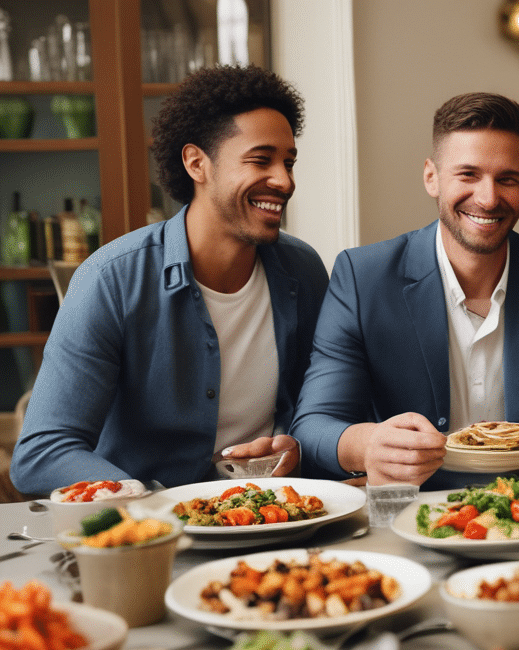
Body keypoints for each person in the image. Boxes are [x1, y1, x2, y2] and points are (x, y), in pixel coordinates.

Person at [290, 92, 519, 489]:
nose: (488, 197)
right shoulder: (363, 277)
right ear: (431, 177)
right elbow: (313, 427)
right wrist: (369, 445)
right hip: (411, 509)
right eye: (468, 175)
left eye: (506, 179)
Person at [12, 65, 328, 493]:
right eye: (261, 160)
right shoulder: (111, 280)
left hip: (272, 515)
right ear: (197, 163)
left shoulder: (302, 271)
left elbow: (318, 406)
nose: (284, 180)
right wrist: (149, 502)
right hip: (150, 535)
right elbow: (42, 452)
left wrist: (299, 445)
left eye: (289, 162)